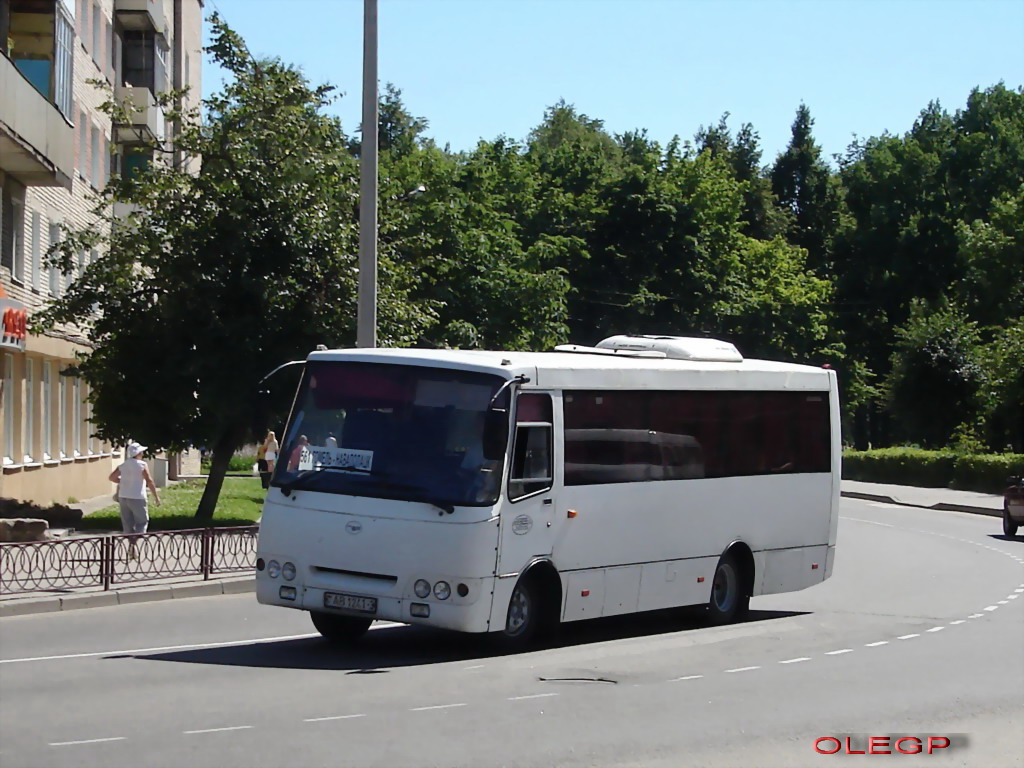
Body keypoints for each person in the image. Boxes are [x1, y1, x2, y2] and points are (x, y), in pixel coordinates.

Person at [108, 442, 160, 535]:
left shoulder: (123, 465)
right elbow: (149, 480)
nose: (143, 454)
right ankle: (136, 540)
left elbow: (112, 477)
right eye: (141, 452)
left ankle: (131, 544)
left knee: (127, 523)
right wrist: (156, 497)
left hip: (123, 496)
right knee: (142, 522)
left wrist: (123, 481)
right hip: (137, 497)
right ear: (138, 454)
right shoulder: (142, 465)